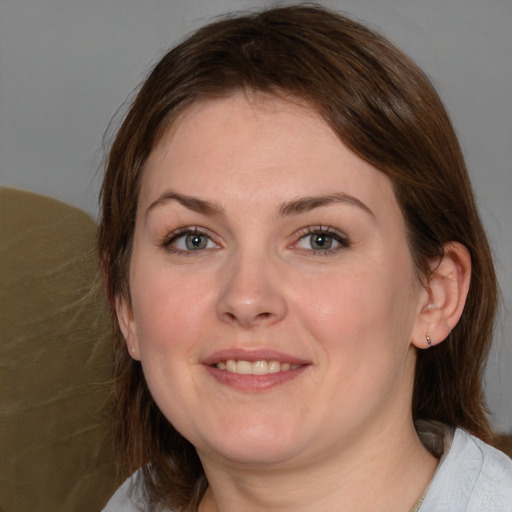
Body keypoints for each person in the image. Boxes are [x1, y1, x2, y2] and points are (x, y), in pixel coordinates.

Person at [98, 5, 512, 511]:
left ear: (436, 296)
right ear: (126, 305)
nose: (247, 298)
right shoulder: (136, 503)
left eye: (320, 239)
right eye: (193, 239)